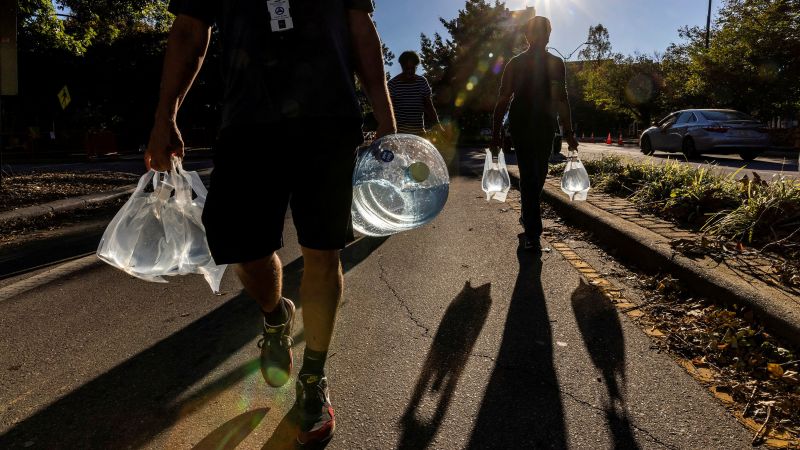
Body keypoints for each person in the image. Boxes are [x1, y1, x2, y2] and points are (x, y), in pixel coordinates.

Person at [145, 1, 395, 445]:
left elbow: (360, 23)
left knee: (323, 248)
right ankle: (276, 316)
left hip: (328, 117)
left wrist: (384, 113)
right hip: (248, 120)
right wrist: (166, 114)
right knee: (243, 248)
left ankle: (314, 379)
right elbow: (189, 31)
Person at [490, 16, 579, 251]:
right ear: (527, 36)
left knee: (538, 177)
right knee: (530, 176)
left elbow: (561, 99)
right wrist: (496, 133)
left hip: (544, 126)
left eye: (546, 33)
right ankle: (533, 232)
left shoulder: (555, 64)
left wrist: (569, 131)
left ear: (550, 36)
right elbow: (503, 99)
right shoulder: (515, 64)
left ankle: (527, 215)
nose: (542, 37)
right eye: (537, 33)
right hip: (521, 126)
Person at [388, 51, 441, 135]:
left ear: (416, 67)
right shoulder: (392, 84)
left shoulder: (422, 82)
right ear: (401, 66)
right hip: (399, 134)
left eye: (412, 68)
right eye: (406, 68)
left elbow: (429, 106)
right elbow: (388, 110)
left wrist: (438, 126)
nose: (409, 71)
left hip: (419, 133)